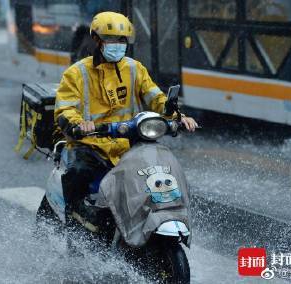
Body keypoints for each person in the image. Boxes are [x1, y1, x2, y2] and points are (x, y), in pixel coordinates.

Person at [54, 11, 198, 212]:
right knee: (79, 175)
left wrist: (178, 117)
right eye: (111, 38)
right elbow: (65, 109)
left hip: (130, 144)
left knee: (163, 174)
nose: (118, 44)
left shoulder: (134, 68)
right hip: (91, 145)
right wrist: (79, 125)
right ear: (96, 39)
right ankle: (75, 223)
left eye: (122, 39)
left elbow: (156, 98)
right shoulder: (77, 73)